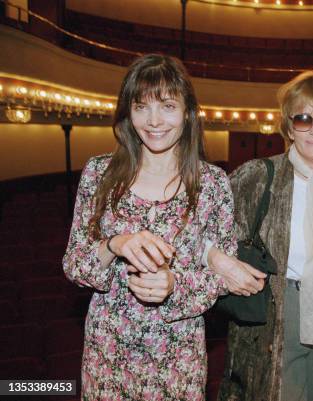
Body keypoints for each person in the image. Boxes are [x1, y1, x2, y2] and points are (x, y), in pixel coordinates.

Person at [63, 54, 240, 400]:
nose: (154, 121)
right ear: (128, 113)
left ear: (188, 113)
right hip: (108, 353)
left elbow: (223, 277)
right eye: (142, 107)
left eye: (168, 106)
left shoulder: (214, 183)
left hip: (179, 360)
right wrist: (114, 243)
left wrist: (174, 285)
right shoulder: (99, 175)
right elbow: (73, 263)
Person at [217, 71, 313, 401]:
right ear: (289, 127)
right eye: (304, 119)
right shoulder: (257, 176)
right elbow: (208, 234)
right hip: (277, 312)